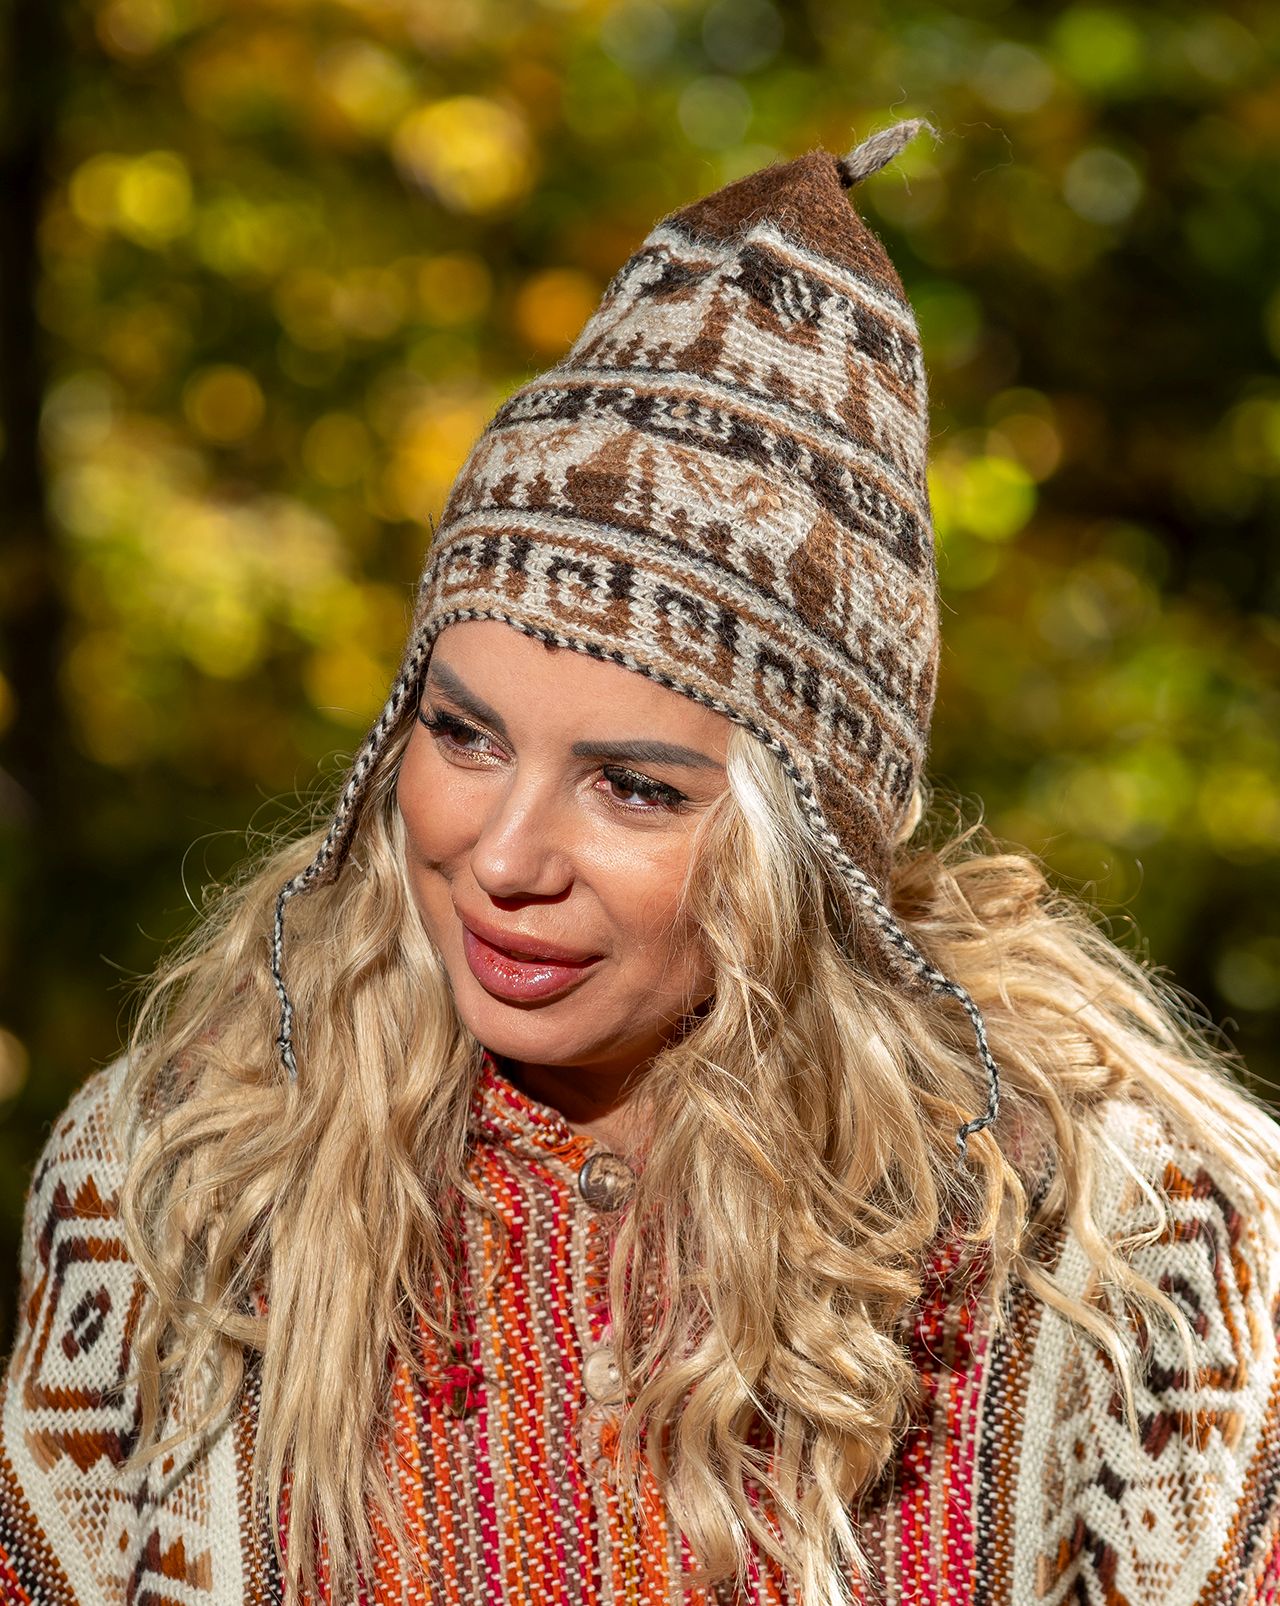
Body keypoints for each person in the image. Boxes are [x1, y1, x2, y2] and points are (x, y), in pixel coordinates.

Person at [2, 117, 1278, 1606]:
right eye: (464, 735)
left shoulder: (1124, 1236)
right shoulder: (180, 1178)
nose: (504, 857)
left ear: (814, 848)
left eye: (633, 787)